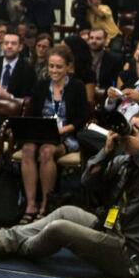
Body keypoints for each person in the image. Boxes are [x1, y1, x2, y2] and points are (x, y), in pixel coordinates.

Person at [0, 111, 139, 278]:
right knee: (66, 212)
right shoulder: (123, 161)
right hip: (110, 230)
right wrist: (106, 152)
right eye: (134, 131)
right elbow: (87, 182)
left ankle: (17, 247)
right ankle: (0, 237)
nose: (138, 137)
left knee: (59, 229)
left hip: (134, 256)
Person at [17, 46, 87, 223]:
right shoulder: (41, 86)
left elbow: (81, 118)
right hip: (41, 132)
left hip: (66, 135)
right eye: (51, 66)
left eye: (59, 67)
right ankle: (30, 204)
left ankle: (46, 205)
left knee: (46, 151)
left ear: (68, 67)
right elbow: (32, 113)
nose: (54, 70)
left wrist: (63, 130)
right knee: (27, 149)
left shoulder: (77, 86)